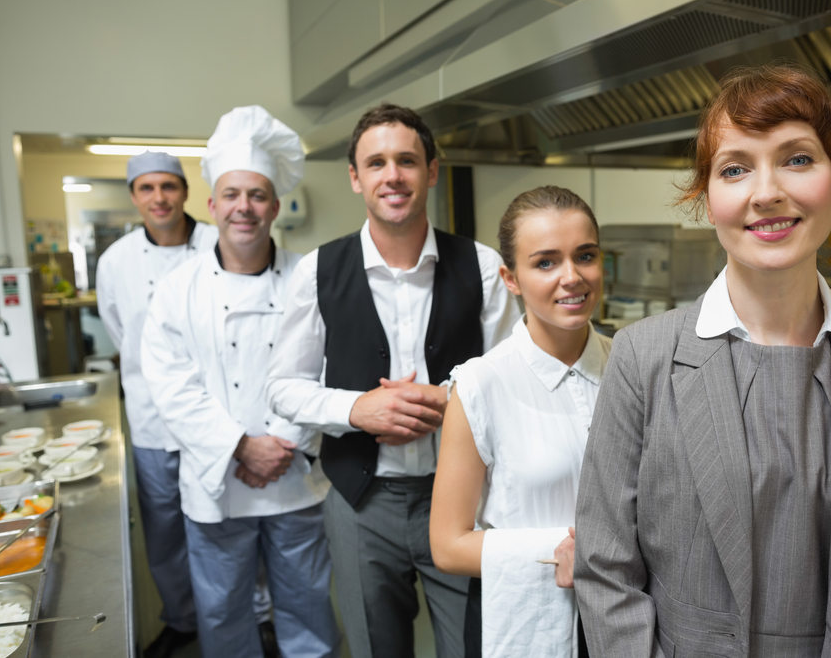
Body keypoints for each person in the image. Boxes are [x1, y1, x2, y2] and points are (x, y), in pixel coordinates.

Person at [574, 63, 831, 657]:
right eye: (735, 169)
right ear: (707, 199)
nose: (766, 192)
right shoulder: (643, 357)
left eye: (798, 159)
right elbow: (605, 570)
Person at [265, 103, 520, 658]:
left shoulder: (479, 266)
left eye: (406, 160)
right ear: (356, 178)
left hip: (464, 501)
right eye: (376, 163)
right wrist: (360, 409)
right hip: (361, 504)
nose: (393, 175)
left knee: (475, 646)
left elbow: (512, 381)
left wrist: (449, 399)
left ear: (432, 170)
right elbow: (282, 386)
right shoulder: (317, 271)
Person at [141, 105, 340, 658]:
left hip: (295, 477)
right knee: (223, 617)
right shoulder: (176, 290)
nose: (243, 208)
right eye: (231, 195)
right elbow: (172, 386)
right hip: (215, 481)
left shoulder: (311, 277)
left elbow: (326, 367)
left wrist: (279, 446)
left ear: (275, 205)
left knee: (308, 610)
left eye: (256, 195)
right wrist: (240, 447)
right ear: (212, 205)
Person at [429, 186, 610, 658]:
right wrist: (567, 548)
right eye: (546, 262)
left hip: (625, 617)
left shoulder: (632, 366)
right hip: (525, 623)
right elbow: (447, 546)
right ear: (511, 279)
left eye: (585, 255)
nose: (572, 277)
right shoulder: (479, 385)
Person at [96, 150, 218, 658]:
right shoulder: (115, 262)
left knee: (225, 526)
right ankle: (183, 619)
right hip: (151, 423)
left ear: (185, 191)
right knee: (165, 535)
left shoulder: (219, 243)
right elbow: (121, 333)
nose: (159, 198)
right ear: (134, 197)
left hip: (216, 418)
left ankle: (249, 620)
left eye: (168, 186)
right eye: (147, 189)